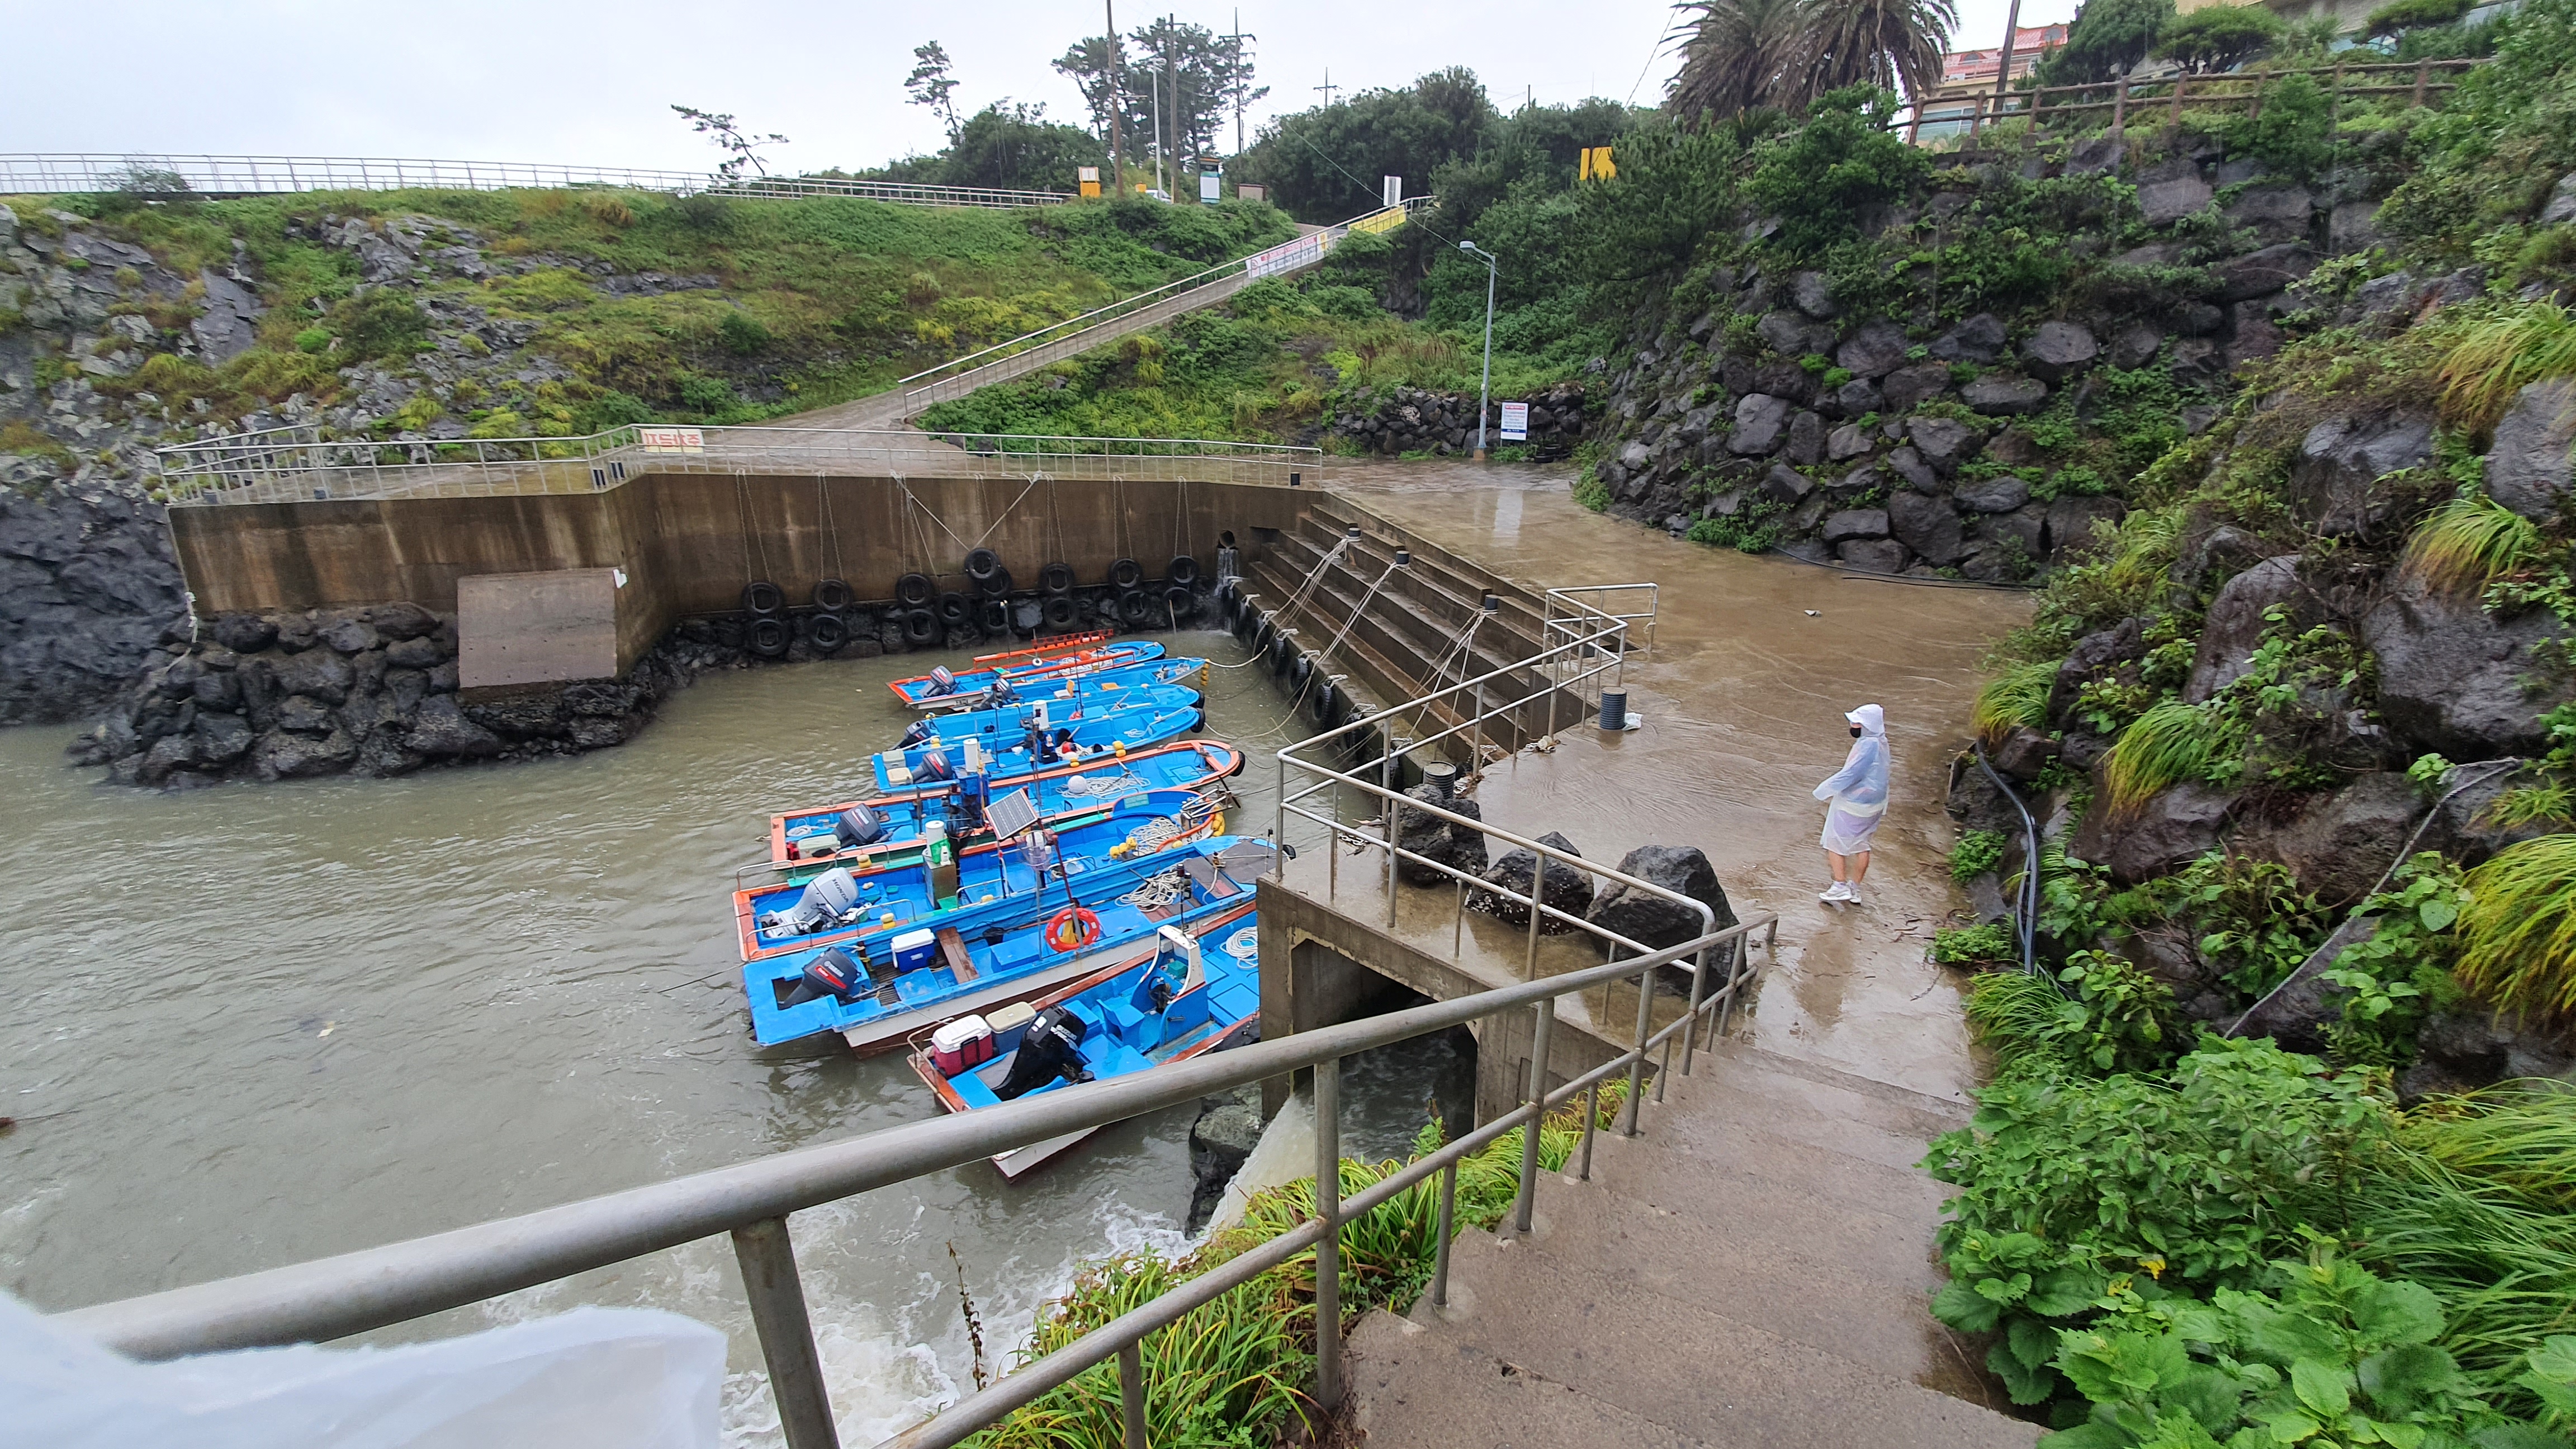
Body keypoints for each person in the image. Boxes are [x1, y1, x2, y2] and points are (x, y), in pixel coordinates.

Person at [1812, 703, 1889, 905]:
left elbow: (1851, 773)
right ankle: (1855, 889)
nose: (1853, 726)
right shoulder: (1881, 741)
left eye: (1857, 722)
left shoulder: (1867, 745)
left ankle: (1839, 886)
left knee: (1835, 842)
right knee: (1862, 843)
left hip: (1855, 803)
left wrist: (1824, 790)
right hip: (1876, 803)